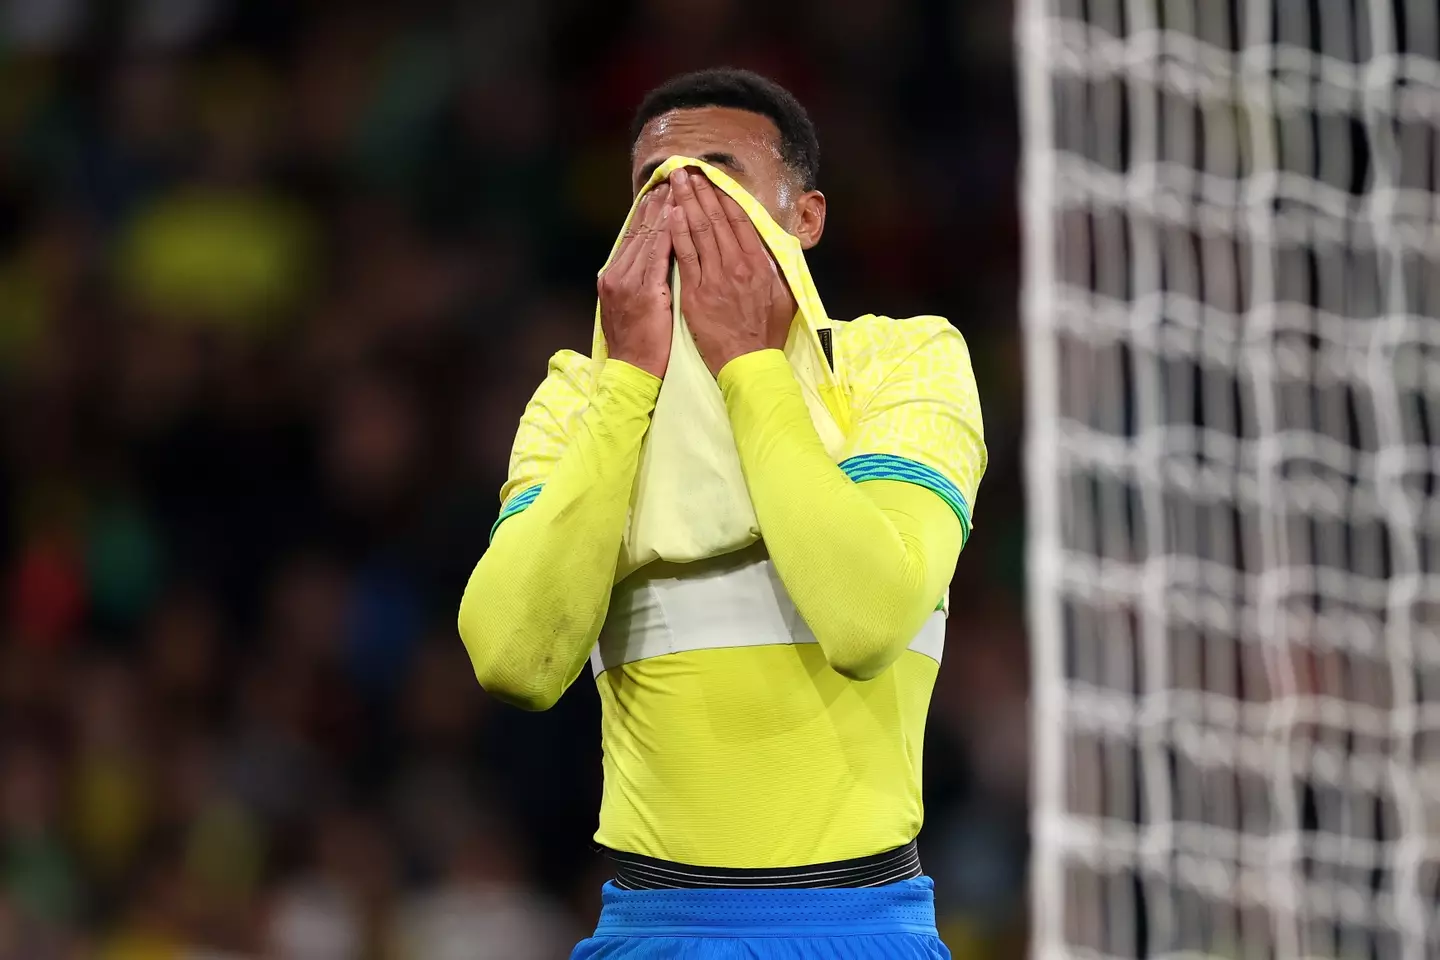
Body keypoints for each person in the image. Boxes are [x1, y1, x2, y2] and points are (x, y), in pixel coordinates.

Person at [458, 67, 986, 959]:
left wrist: (749, 363)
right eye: (650, 188)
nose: (680, 202)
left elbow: (868, 620)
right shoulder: (578, 397)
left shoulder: (905, 361)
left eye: (718, 172)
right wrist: (626, 384)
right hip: (650, 931)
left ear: (805, 219)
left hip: (856, 930)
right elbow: (513, 659)